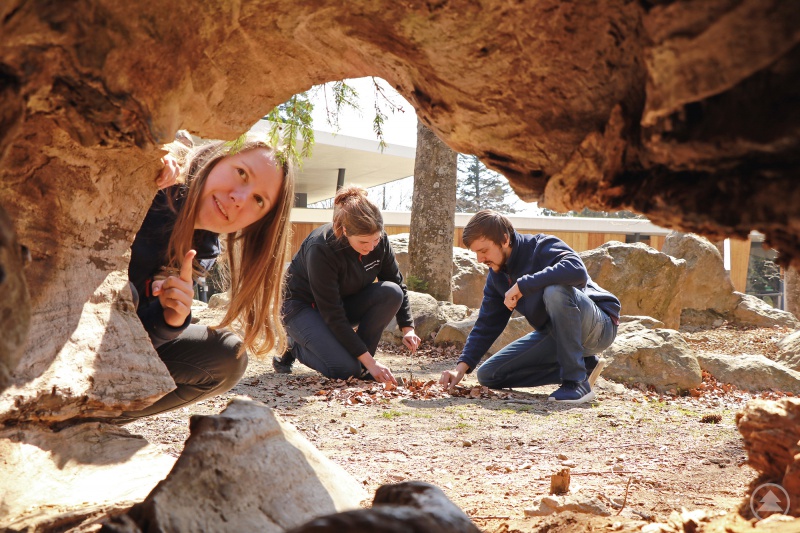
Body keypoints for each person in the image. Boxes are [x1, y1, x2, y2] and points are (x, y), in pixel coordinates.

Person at [124, 132, 294, 420]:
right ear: (217, 158)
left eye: (258, 200)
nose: (239, 199)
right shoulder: (158, 182)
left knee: (227, 357)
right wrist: (143, 159)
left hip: (111, 351)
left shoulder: (204, 249)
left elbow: (134, 342)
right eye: (241, 173)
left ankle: (91, 419)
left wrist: (168, 321)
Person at [438, 210, 620, 403]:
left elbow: (577, 271)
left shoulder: (541, 246)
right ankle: (584, 366)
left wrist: (523, 285)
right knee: (489, 375)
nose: (480, 259)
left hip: (599, 327)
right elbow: (486, 324)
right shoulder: (497, 278)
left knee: (555, 291)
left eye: (483, 251)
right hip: (556, 335)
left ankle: (575, 382)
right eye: (476, 253)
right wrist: (460, 369)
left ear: (505, 239)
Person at [273, 185, 421, 384]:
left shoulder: (379, 242)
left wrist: (407, 328)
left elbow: (397, 283)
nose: (371, 248)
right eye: (363, 242)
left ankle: (362, 366)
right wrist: (372, 363)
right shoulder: (321, 247)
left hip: (342, 304)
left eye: (376, 240)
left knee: (391, 292)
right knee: (344, 369)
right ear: (344, 231)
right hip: (301, 307)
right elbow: (332, 313)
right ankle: (293, 345)